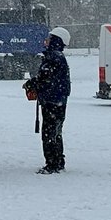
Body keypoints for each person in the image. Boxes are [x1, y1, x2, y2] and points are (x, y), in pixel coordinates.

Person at [25, 27, 72, 173]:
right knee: (56, 132)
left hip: (52, 101)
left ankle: (51, 164)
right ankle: (59, 162)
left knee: (49, 133)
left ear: (56, 40)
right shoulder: (58, 57)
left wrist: (31, 84)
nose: (46, 41)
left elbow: (45, 77)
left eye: (49, 38)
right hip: (59, 100)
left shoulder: (53, 57)